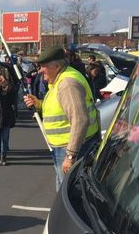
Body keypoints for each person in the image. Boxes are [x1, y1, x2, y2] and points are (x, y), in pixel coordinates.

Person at [23, 47, 100, 191]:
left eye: (43, 66)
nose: (40, 71)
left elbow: (80, 119)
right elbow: (61, 109)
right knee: (65, 189)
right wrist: (38, 104)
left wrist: (71, 156)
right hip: (67, 147)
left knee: (69, 193)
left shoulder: (67, 84)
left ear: (57, 66)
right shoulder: (60, 79)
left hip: (71, 148)